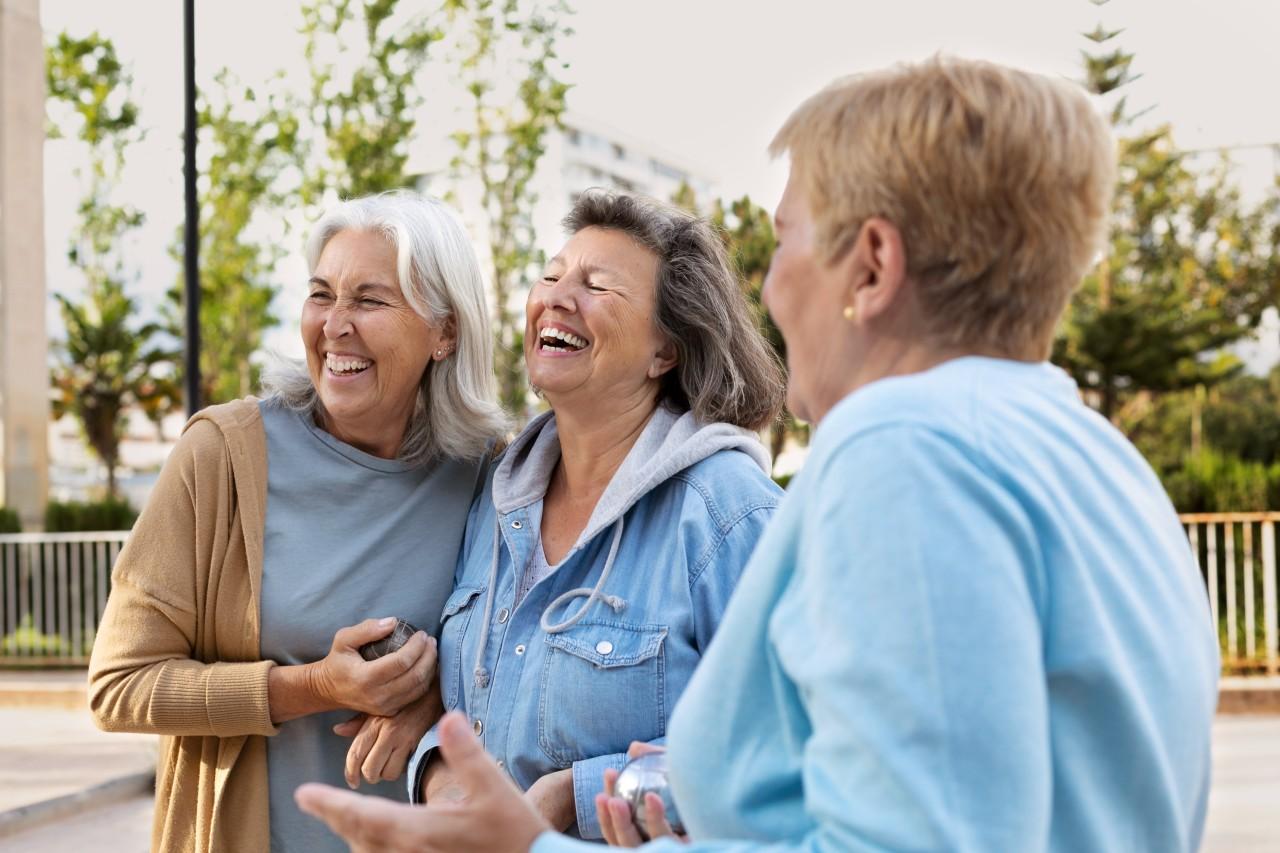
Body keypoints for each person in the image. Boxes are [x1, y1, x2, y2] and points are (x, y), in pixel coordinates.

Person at [295, 57, 1221, 853]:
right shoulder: (1097, 458)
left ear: (871, 267)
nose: (768, 286)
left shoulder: (907, 453)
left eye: (784, 240)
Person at [87, 191, 508, 853]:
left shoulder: (491, 475)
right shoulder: (222, 454)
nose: (335, 324)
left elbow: (522, 673)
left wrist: (436, 706)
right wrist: (312, 685)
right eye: (322, 294)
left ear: (445, 331)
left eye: (369, 299)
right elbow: (118, 685)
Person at [403, 190, 787, 840]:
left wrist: (572, 797)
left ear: (665, 349)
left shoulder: (728, 513)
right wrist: (435, 769)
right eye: (551, 275)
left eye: (596, 286)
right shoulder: (497, 499)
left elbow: (784, 750)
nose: (557, 296)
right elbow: (464, 712)